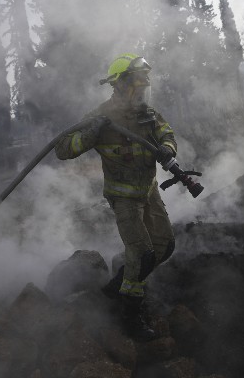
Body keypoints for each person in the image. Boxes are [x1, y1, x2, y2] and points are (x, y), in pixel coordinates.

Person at [54, 53, 177, 340]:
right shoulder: (100, 117)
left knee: (165, 245)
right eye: (138, 83)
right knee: (143, 255)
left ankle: (118, 283)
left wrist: (169, 149)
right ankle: (129, 317)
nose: (143, 89)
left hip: (149, 192)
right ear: (120, 84)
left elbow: (167, 133)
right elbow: (62, 149)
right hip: (123, 198)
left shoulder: (148, 114)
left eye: (145, 84)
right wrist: (90, 134)